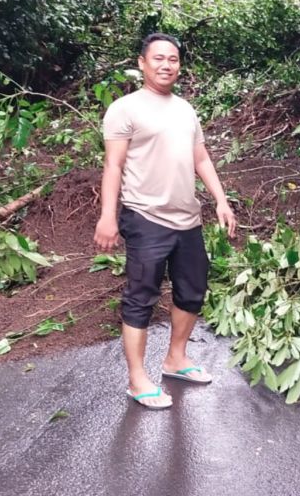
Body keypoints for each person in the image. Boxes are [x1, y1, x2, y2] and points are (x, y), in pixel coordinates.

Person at [94, 32, 237, 410]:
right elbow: (114, 165)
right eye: (158, 58)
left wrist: (221, 200)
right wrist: (108, 215)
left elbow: (201, 159)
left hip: (187, 218)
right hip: (145, 216)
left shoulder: (185, 109)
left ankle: (176, 359)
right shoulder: (125, 109)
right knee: (141, 297)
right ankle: (137, 379)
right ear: (142, 63)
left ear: (179, 65)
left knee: (192, 290)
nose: (166, 64)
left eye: (172, 59)